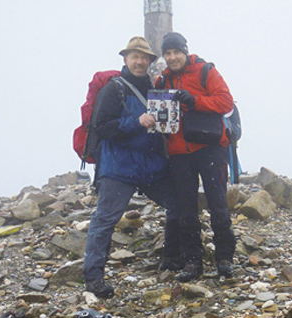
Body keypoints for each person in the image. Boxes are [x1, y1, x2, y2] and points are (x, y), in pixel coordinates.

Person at [83, 36, 183, 299]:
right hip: (119, 168)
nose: (140, 62)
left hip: (151, 167)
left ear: (150, 62)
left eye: (144, 58)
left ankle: (170, 260)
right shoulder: (114, 89)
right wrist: (136, 122)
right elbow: (103, 128)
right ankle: (93, 278)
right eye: (134, 57)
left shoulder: (154, 90)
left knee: (179, 204)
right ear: (125, 59)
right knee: (105, 220)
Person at [157, 32, 236, 280]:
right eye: (167, 53)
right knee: (186, 210)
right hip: (179, 153)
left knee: (218, 204)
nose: (172, 57)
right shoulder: (162, 81)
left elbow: (226, 102)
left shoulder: (205, 71)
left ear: (185, 51)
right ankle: (193, 262)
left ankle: (224, 258)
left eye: (176, 52)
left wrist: (195, 101)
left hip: (210, 147)